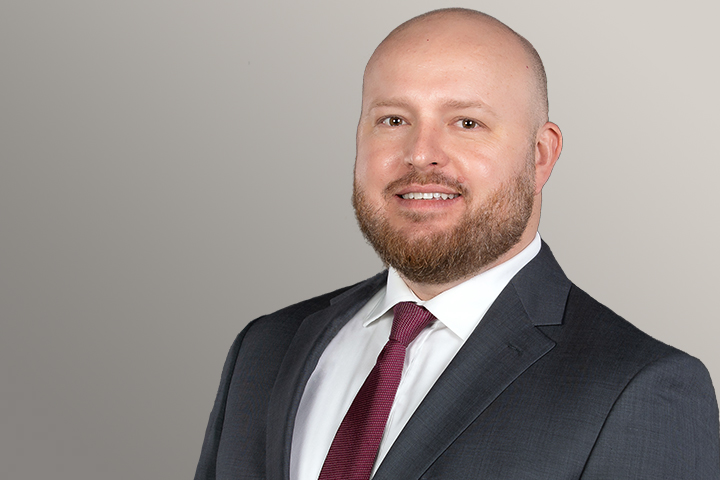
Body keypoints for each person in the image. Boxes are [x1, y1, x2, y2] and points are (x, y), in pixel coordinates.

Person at [194, 8, 720, 480]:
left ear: (540, 155)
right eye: (393, 120)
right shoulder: (263, 349)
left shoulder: (640, 390)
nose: (421, 154)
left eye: (467, 122)